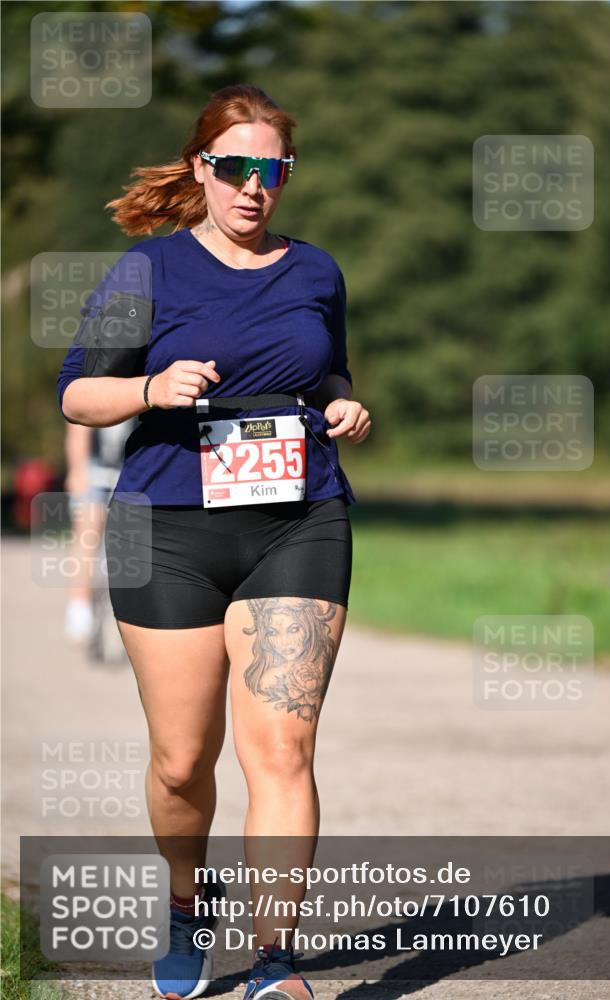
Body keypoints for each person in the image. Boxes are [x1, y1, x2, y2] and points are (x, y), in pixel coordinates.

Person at [56, 84, 370, 1000]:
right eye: (233, 168)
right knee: (183, 761)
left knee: (281, 752)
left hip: (298, 521)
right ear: (201, 170)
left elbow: (329, 368)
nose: (250, 187)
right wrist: (150, 390)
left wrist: (343, 403)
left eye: (269, 170)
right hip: (168, 532)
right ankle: (189, 903)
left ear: (285, 177)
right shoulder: (146, 273)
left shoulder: (316, 271)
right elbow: (78, 394)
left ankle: (275, 963)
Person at [63, 419, 138, 644]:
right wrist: (77, 471)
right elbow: (78, 428)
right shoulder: (95, 382)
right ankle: (80, 603)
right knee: (88, 525)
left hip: (130, 467)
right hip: (95, 467)